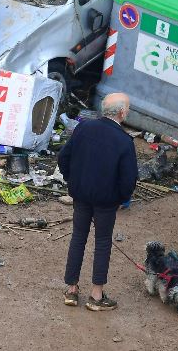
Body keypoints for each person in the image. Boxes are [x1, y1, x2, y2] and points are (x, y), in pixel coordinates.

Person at [58, 92, 138, 311]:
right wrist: (123, 199)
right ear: (122, 112)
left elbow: (63, 157)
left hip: (81, 194)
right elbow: (128, 178)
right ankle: (96, 296)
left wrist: (70, 179)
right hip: (106, 201)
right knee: (102, 243)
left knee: (78, 238)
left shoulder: (83, 128)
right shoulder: (124, 141)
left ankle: (72, 290)